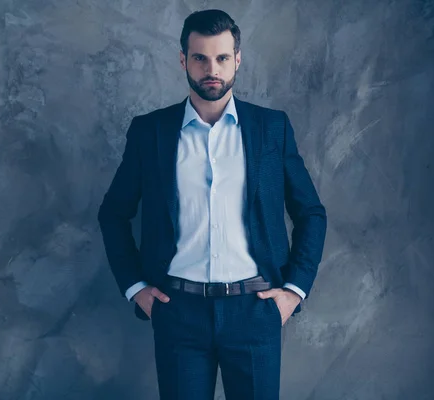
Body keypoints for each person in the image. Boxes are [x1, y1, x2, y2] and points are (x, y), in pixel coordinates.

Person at [97, 8, 327, 400]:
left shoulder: (271, 129)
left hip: (255, 310)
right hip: (178, 312)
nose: (211, 69)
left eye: (222, 57)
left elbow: (311, 213)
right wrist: (136, 288)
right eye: (200, 58)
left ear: (238, 59)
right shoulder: (150, 132)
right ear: (183, 60)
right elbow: (114, 214)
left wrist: (294, 291)